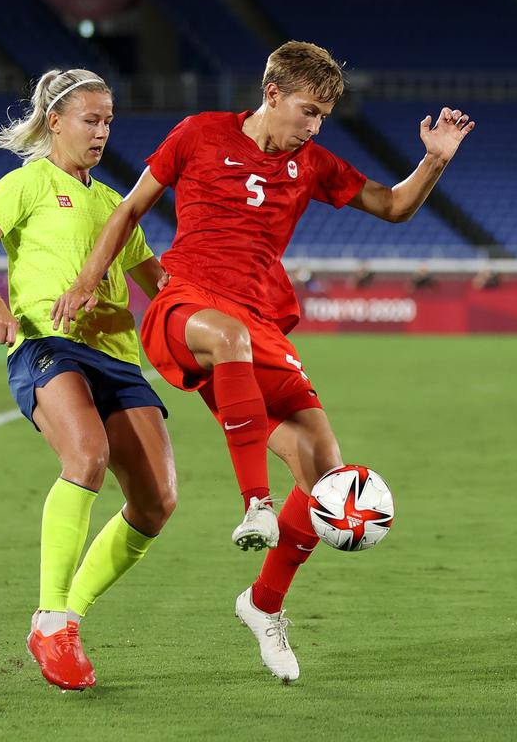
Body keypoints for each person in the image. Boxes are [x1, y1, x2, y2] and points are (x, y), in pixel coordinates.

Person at [52, 41, 475, 681]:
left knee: (328, 475)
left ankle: (263, 603)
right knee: (228, 341)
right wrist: (88, 279)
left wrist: (433, 161)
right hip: (185, 307)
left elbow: (393, 206)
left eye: (324, 116)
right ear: (271, 93)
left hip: (259, 321)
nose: (314, 126)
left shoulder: (313, 164)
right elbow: (131, 208)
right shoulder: (198, 134)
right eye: (308, 111)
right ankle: (255, 501)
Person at [0, 68, 177, 691]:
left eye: (109, 121)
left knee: (156, 503)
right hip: (48, 345)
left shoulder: (114, 205)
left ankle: (68, 615)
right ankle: (52, 616)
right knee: (87, 454)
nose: (102, 132)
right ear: (56, 122)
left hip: (118, 358)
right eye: (90, 120)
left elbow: (161, 288)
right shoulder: (25, 184)